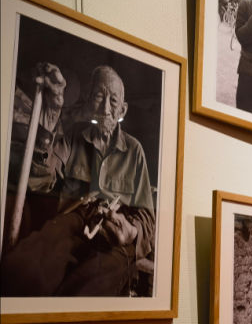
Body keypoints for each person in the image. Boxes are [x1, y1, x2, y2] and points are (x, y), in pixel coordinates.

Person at [1, 63, 155, 296]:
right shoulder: (73, 136)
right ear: (88, 101)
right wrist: (49, 122)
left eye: (113, 101)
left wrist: (131, 231)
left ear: (122, 110)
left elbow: (147, 217)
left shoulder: (134, 150)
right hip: (74, 218)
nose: (105, 108)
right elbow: (41, 182)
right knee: (24, 271)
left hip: (115, 233)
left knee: (86, 288)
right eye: (99, 97)